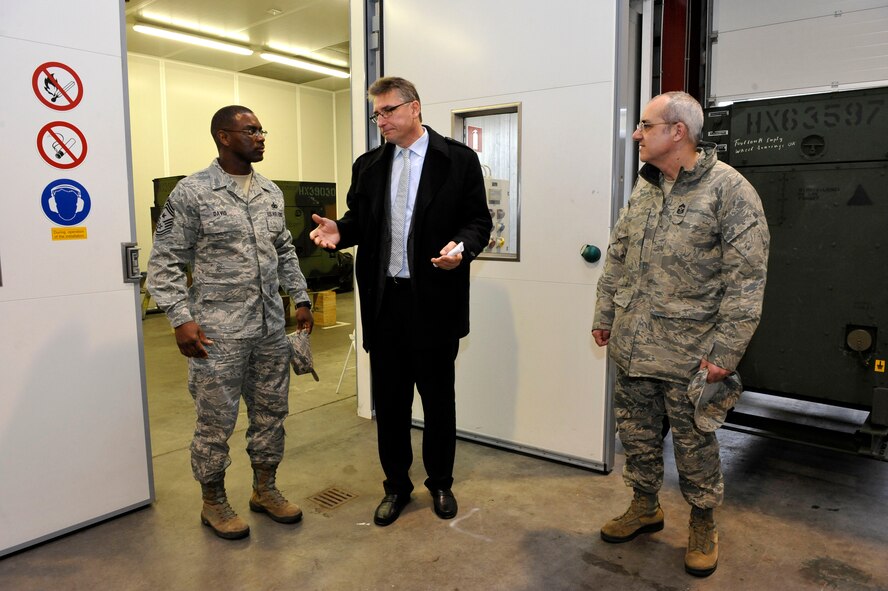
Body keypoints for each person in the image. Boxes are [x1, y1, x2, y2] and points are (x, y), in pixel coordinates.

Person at [592, 91, 769, 577]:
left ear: (678, 132)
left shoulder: (729, 190)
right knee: (638, 435)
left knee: (694, 445)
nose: (636, 134)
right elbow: (619, 254)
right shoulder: (646, 186)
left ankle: (703, 522)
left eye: (646, 125)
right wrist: (604, 313)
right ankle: (645, 506)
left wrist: (727, 351)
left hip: (690, 353)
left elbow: (747, 280)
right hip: (633, 343)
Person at [309, 77, 492, 526]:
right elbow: (359, 221)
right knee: (389, 405)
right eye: (377, 114)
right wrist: (340, 231)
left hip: (433, 300)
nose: (382, 121)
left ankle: (441, 483)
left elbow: (477, 221)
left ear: (415, 108)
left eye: (388, 111)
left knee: (437, 402)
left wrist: (462, 249)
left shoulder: (458, 160)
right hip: (384, 302)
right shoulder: (369, 165)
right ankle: (396, 487)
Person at [146, 105, 314, 540]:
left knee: (272, 413)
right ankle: (214, 502)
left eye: (262, 129)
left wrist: (300, 297)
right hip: (216, 336)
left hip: (269, 330)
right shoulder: (193, 192)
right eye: (250, 130)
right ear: (224, 137)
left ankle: (265, 489)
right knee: (215, 421)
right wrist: (180, 319)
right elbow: (164, 261)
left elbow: (285, 252)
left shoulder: (271, 192)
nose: (261, 137)